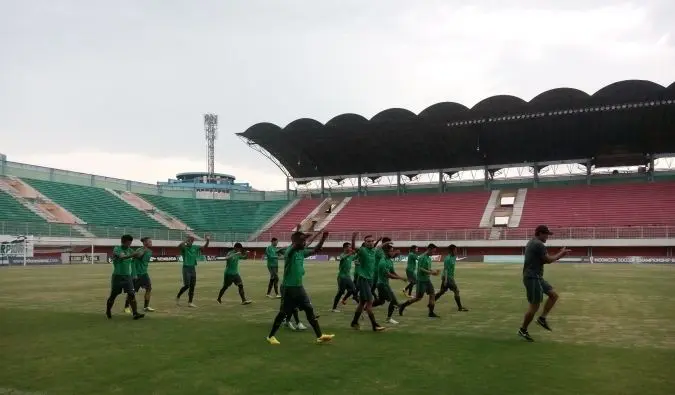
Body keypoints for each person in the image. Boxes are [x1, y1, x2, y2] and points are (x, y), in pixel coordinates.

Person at [266, 231, 334, 345]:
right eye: (303, 242)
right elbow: (296, 245)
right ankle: (270, 336)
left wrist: (323, 238)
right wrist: (303, 238)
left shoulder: (301, 253)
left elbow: (316, 250)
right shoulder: (289, 252)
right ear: (296, 242)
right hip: (288, 288)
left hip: (299, 287)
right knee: (283, 313)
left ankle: (319, 336)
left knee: (309, 309)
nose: (305, 243)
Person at [518, 225, 570, 342]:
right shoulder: (538, 244)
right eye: (546, 234)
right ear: (540, 233)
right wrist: (561, 254)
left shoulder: (532, 242)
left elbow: (543, 261)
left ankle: (542, 319)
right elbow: (549, 260)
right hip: (532, 278)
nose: (547, 237)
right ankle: (523, 329)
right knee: (534, 306)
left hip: (536, 277)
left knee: (553, 295)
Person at [350, 233, 386, 332]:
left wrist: (383, 242)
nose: (370, 243)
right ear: (364, 243)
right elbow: (353, 249)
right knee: (369, 302)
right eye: (368, 241)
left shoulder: (373, 251)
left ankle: (354, 322)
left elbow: (377, 247)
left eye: (371, 241)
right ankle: (374, 325)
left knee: (362, 303)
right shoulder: (363, 251)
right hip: (363, 279)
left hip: (369, 280)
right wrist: (353, 238)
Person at [106, 234, 145, 320]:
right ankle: (108, 311)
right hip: (117, 276)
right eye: (128, 243)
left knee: (131, 294)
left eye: (130, 243)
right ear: (123, 242)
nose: (129, 245)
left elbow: (138, 256)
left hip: (127, 276)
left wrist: (142, 250)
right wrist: (133, 255)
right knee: (113, 295)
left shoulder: (130, 249)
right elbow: (122, 257)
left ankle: (135, 314)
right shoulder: (117, 249)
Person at [398, 244, 440, 318]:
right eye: (433, 251)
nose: (433, 253)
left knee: (432, 294)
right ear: (429, 249)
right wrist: (431, 272)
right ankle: (403, 305)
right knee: (418, 298)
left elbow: (427, 268)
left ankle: (431, 312)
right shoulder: (422, 257)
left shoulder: (428, 258)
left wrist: (433, 271)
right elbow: (421, 269)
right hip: (421, 281)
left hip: (427, 280)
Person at [372, 244, 407, 324]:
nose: (393, 252)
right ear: (386, 252)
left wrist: (400, 277)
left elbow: (392, 272)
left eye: (393, 251)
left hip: (384, 284)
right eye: (391, 251)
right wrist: (400, 278)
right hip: (382, 285)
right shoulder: (382, 262)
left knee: (381, 301)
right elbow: (389, 275)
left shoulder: (389, 261)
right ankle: (388, 318)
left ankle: (366, 308)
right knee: (393, 301)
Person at [175, 235, 210, 307]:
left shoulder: (195, 247)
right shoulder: (184, 248)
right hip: (186, 268)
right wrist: (185, 241)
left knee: (192, 286)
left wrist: (208, 241)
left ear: (193, 242)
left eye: (191, 241)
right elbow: (179, 246)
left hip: (193, 268)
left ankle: (190, 302)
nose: (189, 242)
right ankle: (178, 296)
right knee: (187, 285)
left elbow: (204, 248)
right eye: (188, 240)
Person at [434, 244, 469, 312]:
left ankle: (431, 301)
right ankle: (460, 307)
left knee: (442, 291)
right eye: (455, 250)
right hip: (448, 277)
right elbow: (446, 270)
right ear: (451, 251)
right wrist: (446, 280)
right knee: (456, 291)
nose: (456, 251)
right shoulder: (448, 259)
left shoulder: (453, 257)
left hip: (447, 277)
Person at [124, 237, 154, 313]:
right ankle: (126, 307)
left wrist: (146, 249)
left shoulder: (150, 251)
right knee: (131, 292)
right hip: (136, 274)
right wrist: (143, 250)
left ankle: (146, 307)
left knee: (149, 289)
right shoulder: (139, 250)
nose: (151, 242)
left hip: (144, 273)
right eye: (149, 241)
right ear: (145, 243)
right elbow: (137, 256)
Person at [331, 242, 358, 312]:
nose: (350, 248)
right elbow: (341, 258)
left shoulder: (351, 256)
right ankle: (334, 308)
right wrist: (350, 253)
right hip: (342, 277)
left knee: (353, 290)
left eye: (350, 247)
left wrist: (358, 259)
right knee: (340, 292)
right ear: (345, 248)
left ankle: (359, 306)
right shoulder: (342, 254)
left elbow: (356, 257)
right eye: (349, 247)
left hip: (347, 276)